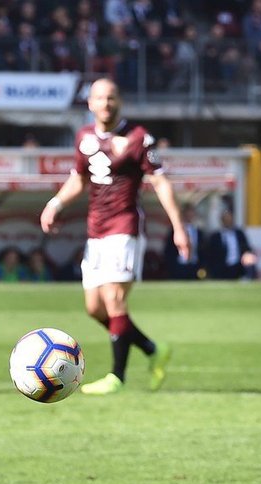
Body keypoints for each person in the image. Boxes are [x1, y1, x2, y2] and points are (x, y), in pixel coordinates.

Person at [40, 77, 189, 395]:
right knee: (94, 308)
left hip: (124, 228)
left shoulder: (138, 137)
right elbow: (79, 179)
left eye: (111, 98)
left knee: (114, 299)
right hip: (95, 232)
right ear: (90, 104)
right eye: (99, 98)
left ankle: (117, 377)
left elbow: (161, 183)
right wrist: (55, 203)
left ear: (119, 101)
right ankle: (152, 350)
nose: (105, 103)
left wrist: (178, 227)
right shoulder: (83, 137)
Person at [208, 199, 258, 280]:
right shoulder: (215, 236)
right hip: (221, 269)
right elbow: (211, 254)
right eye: (225, 218)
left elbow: (246, 248)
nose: (228, 220)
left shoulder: (239, 234)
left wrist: (248, 255)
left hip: (238, 267)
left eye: (229, 218)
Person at [165, 201, 204, 279]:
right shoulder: (175, 231)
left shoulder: (199, 232)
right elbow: (169, 250)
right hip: (179, 266)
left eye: (192, 212)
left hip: (194, 266)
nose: (190, 214)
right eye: (188, 212)